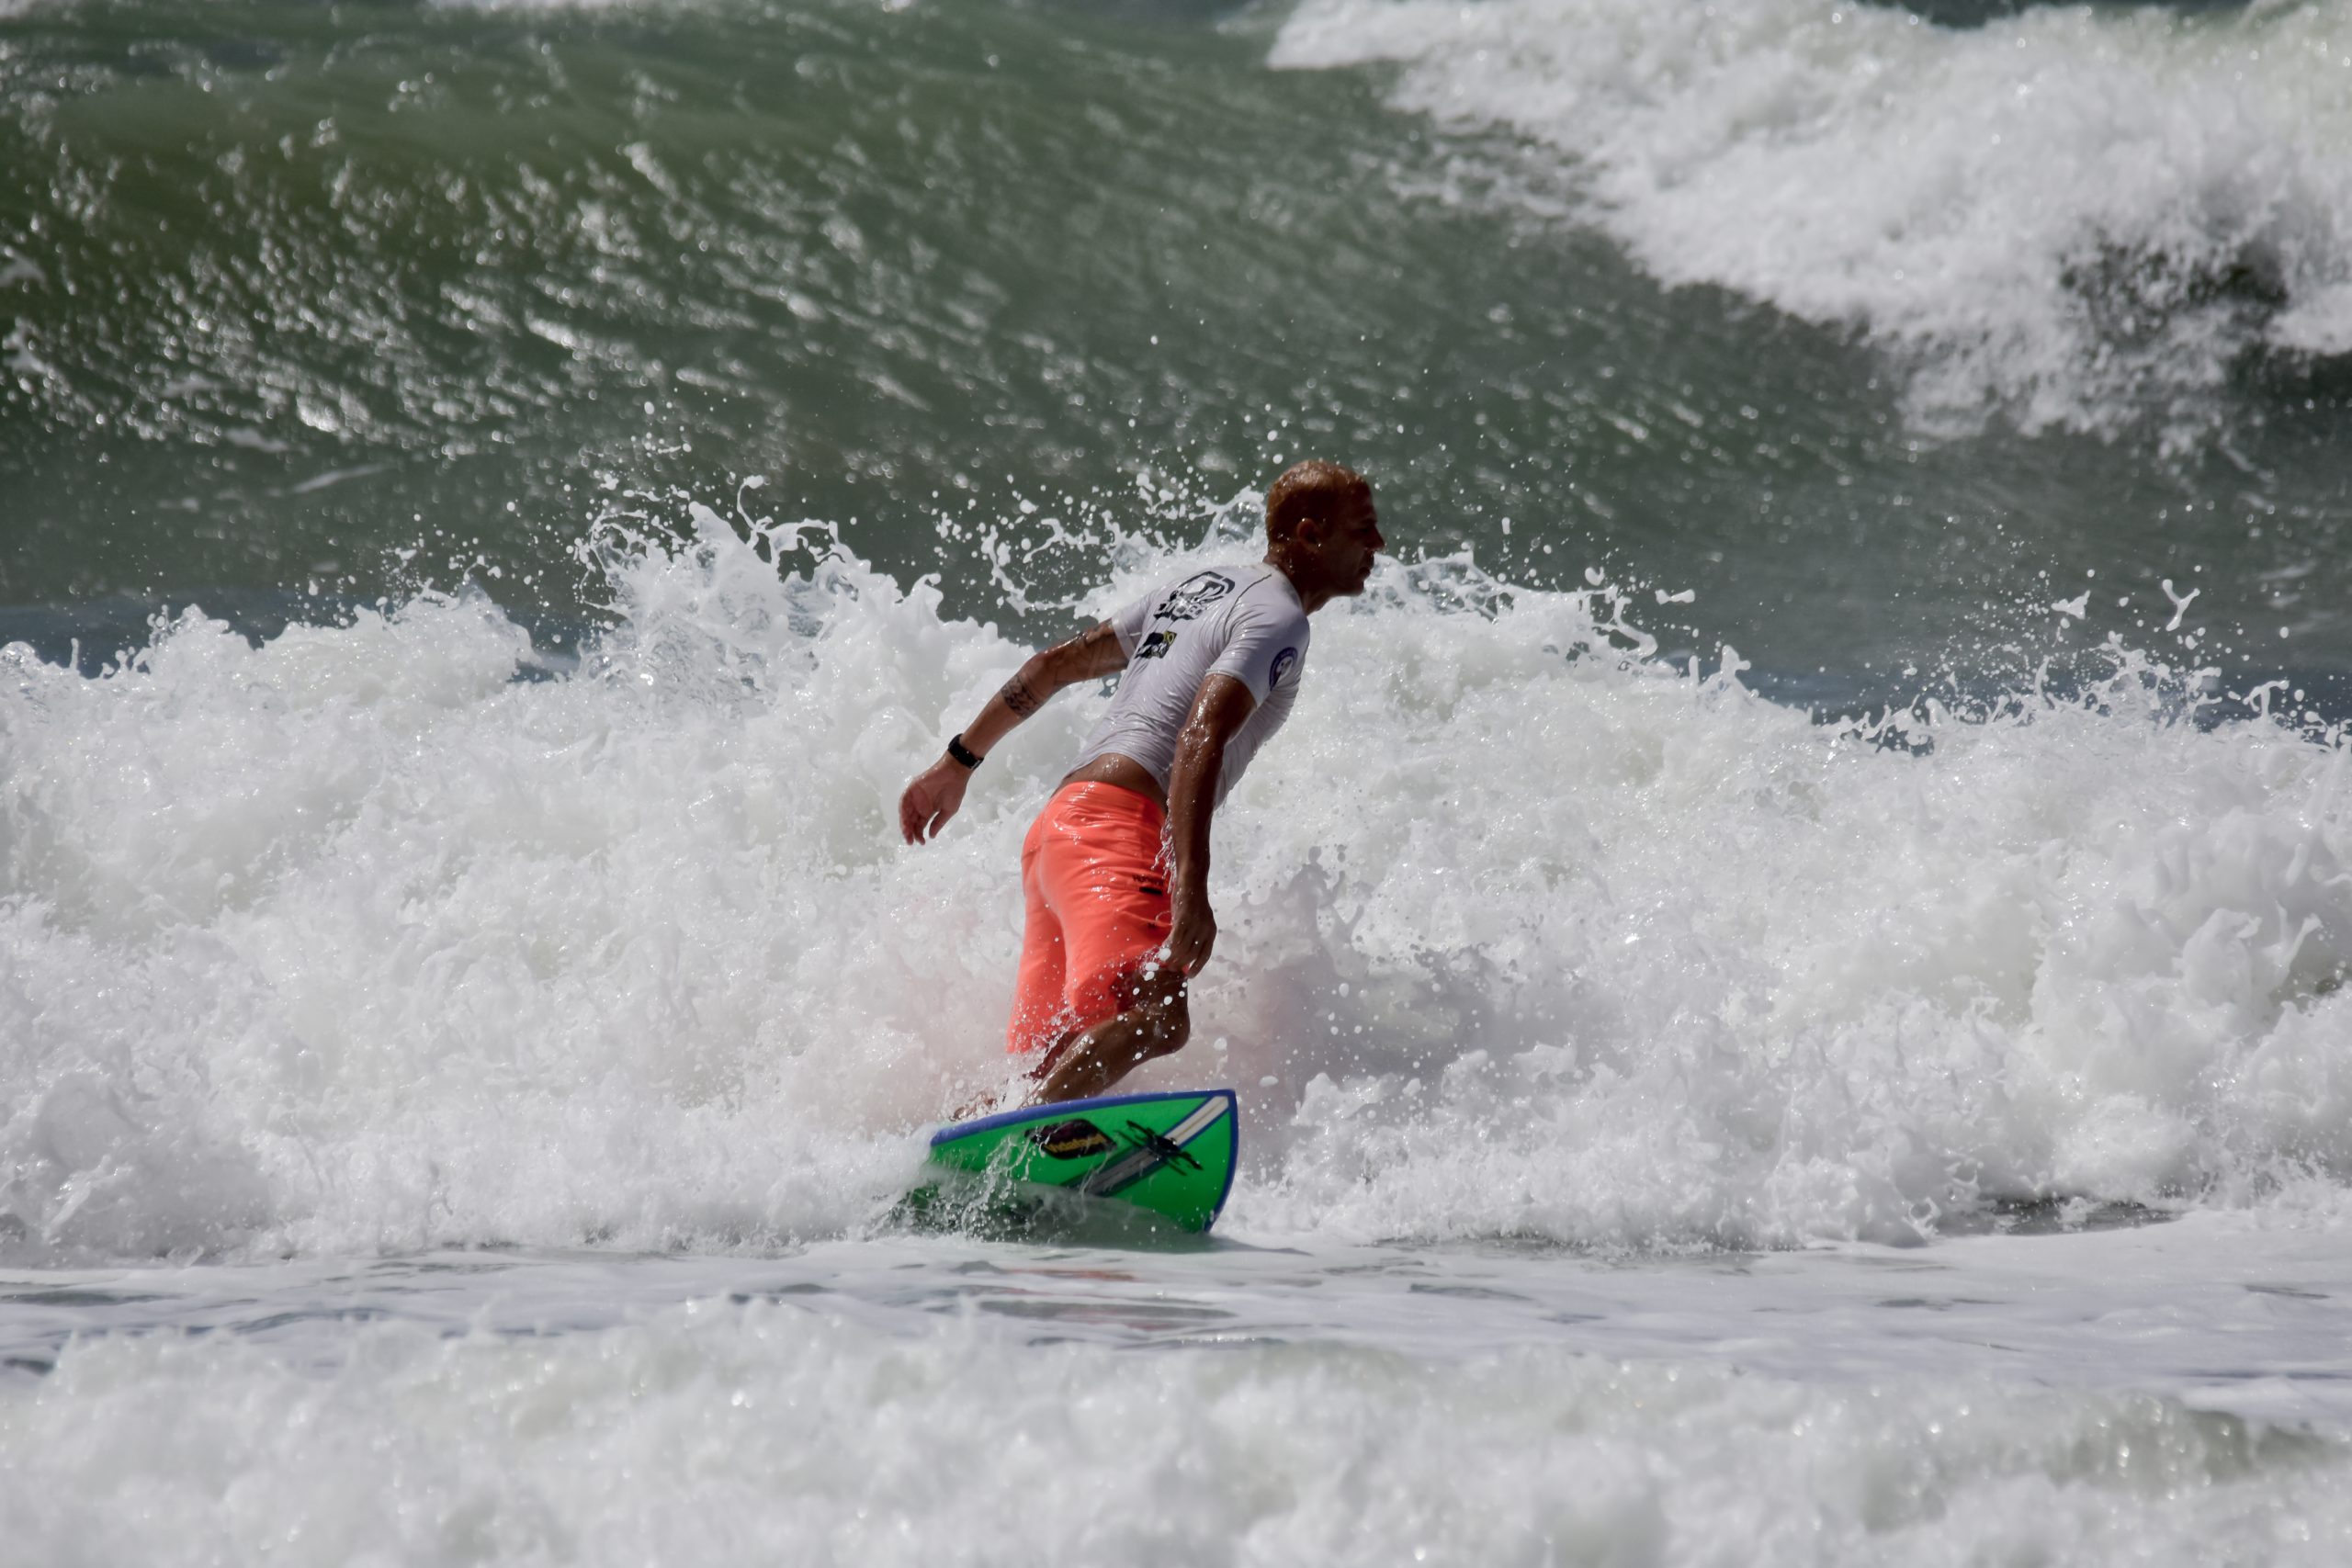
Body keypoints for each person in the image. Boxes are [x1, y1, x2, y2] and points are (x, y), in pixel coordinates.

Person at [897, 459, 1384, 1107]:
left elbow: (1054, 664)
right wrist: (1190, 889)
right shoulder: (1280, 618)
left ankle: (981, 1143)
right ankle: (1028, 1139)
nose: (1378, 543)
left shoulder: (1196, 589)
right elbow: (1200, 737)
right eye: (1363, 528)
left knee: (1054, 1059)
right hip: (1116, 828)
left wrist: (957, 762)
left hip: (1056, 833)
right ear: (1310, 534)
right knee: (1158, 1017)